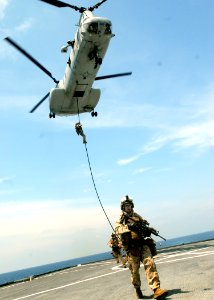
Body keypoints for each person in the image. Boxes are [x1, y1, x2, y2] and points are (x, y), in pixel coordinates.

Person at [115, 195, 168, 300]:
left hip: (142, 244)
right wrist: (128, 227)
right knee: (134, 272)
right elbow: (117, 230)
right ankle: (137, 289)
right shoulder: (120, 219)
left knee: (150, 263)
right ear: (123, 207)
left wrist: (147, 230)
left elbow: (144, 226)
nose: (128, 207)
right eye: (126, 206)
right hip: (132, 248)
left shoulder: (137, 216)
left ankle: (156, 289)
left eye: (129, 205)